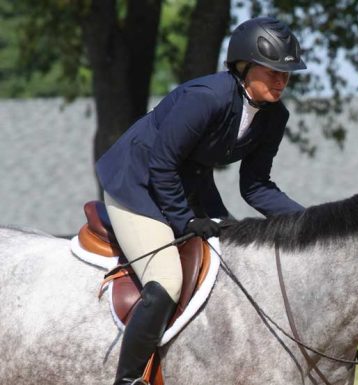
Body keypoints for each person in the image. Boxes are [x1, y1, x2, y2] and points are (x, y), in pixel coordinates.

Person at [95, 16, 306, 385]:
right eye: (272, 70)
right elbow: (161, 165)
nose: (281, 80)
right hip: (137, 183)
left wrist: (311, 220)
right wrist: (186, 221)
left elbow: (256, 186)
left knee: (237, 265)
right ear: (243, 66)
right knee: (166, 281)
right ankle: (127, 380)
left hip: (186, 185)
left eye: (286, 73)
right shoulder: (207, 98)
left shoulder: (275, 116)